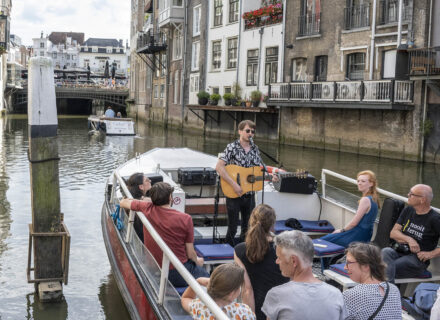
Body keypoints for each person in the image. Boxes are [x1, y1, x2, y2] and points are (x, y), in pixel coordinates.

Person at [120, 182, 209, 286]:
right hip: (178, 271)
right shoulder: (185, 218)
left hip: (154, 267)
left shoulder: (147, 208)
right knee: (211, 280)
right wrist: (198, 261)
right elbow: (190, 253)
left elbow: (123, 202)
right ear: (170, 198)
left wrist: (144, 201)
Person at [262, 230, 347, 320]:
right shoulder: (336, 295)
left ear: (293, 261)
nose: (277, 261)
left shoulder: (277, 295)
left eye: (279, 257)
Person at [234, 204, 289, 320]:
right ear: (273, 225)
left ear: (251, 222)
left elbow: (247, 290)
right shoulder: (284, 248)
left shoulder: (240, 250)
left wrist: (251, 316)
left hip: (259, 310)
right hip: (284, 308)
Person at [216, 120, 262, 246]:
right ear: (240, 131)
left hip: (249, 193)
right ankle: (227, 253)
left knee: (247, 227)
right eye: (247, 131)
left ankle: (243, 253)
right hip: (233, 193)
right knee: (232, 227)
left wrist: (270, 176)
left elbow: (258, 169)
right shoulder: (232, 147)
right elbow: (219, 167)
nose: (250, 134)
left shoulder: (255, 149)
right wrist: (234, 184)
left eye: (253, 131)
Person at [382, 184, 440, 282]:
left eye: (411, 194)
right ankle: (389, 292)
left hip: (417, 259)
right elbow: (393, 233)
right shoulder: (408, 210)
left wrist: (430, 254)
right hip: (400, 251)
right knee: (385, 251)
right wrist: (410, 240)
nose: (408, 195)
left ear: (422, 199)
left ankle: (387, 294)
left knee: (385, 268)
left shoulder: (435, 219)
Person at [320, 170, 380, 247]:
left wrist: (341, 230)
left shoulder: (365, 200)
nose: (359, 183)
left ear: (371, 183)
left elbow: (354, 223)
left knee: (322, 240)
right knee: (330, 238)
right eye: (358, 181)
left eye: (363, 181)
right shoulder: (374, 198)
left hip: (356, 235)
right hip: (366, 235)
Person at [343, 242, 402, 319]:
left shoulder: (351, 295)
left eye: (349, 263)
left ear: (366, 266)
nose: (345, 267)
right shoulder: (394, 289)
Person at [181, 263, 256, 320]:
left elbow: (185, 298)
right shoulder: (244, 312)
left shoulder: (199, 307)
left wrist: (198, 281)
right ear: (231, 294)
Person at [126, 173, 152, 240]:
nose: (150, 181)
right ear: (141, 187)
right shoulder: (147, 201)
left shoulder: (129, 197)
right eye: (147, 180)